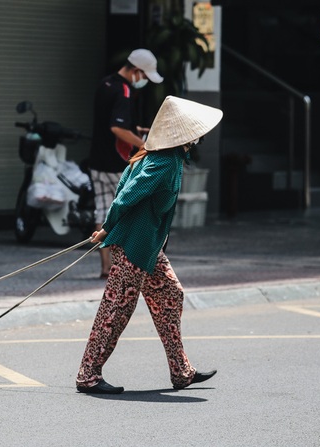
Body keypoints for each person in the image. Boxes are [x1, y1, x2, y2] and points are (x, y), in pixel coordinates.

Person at [76, 96, 224, 394]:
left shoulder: (166, 157)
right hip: (134, 245)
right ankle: (88, 375)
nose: (200, 135)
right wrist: (106, 228)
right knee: (116, 310)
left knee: (171, 293)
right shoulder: (163, 162)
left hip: (149, 247)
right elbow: (125, 196)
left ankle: (181, 370)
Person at [88, 48, 163, 279]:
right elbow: (117, 128)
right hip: (116, 162)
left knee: (101, 209)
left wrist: (136, 129)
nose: (143, 81)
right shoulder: (124, 90)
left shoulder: (105, 84)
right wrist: (144, 145)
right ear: (136, 70)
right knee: (121, 212)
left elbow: (107, 122)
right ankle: (120, 266)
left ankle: (105, 267)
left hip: (96, 160)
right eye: (144, 76)